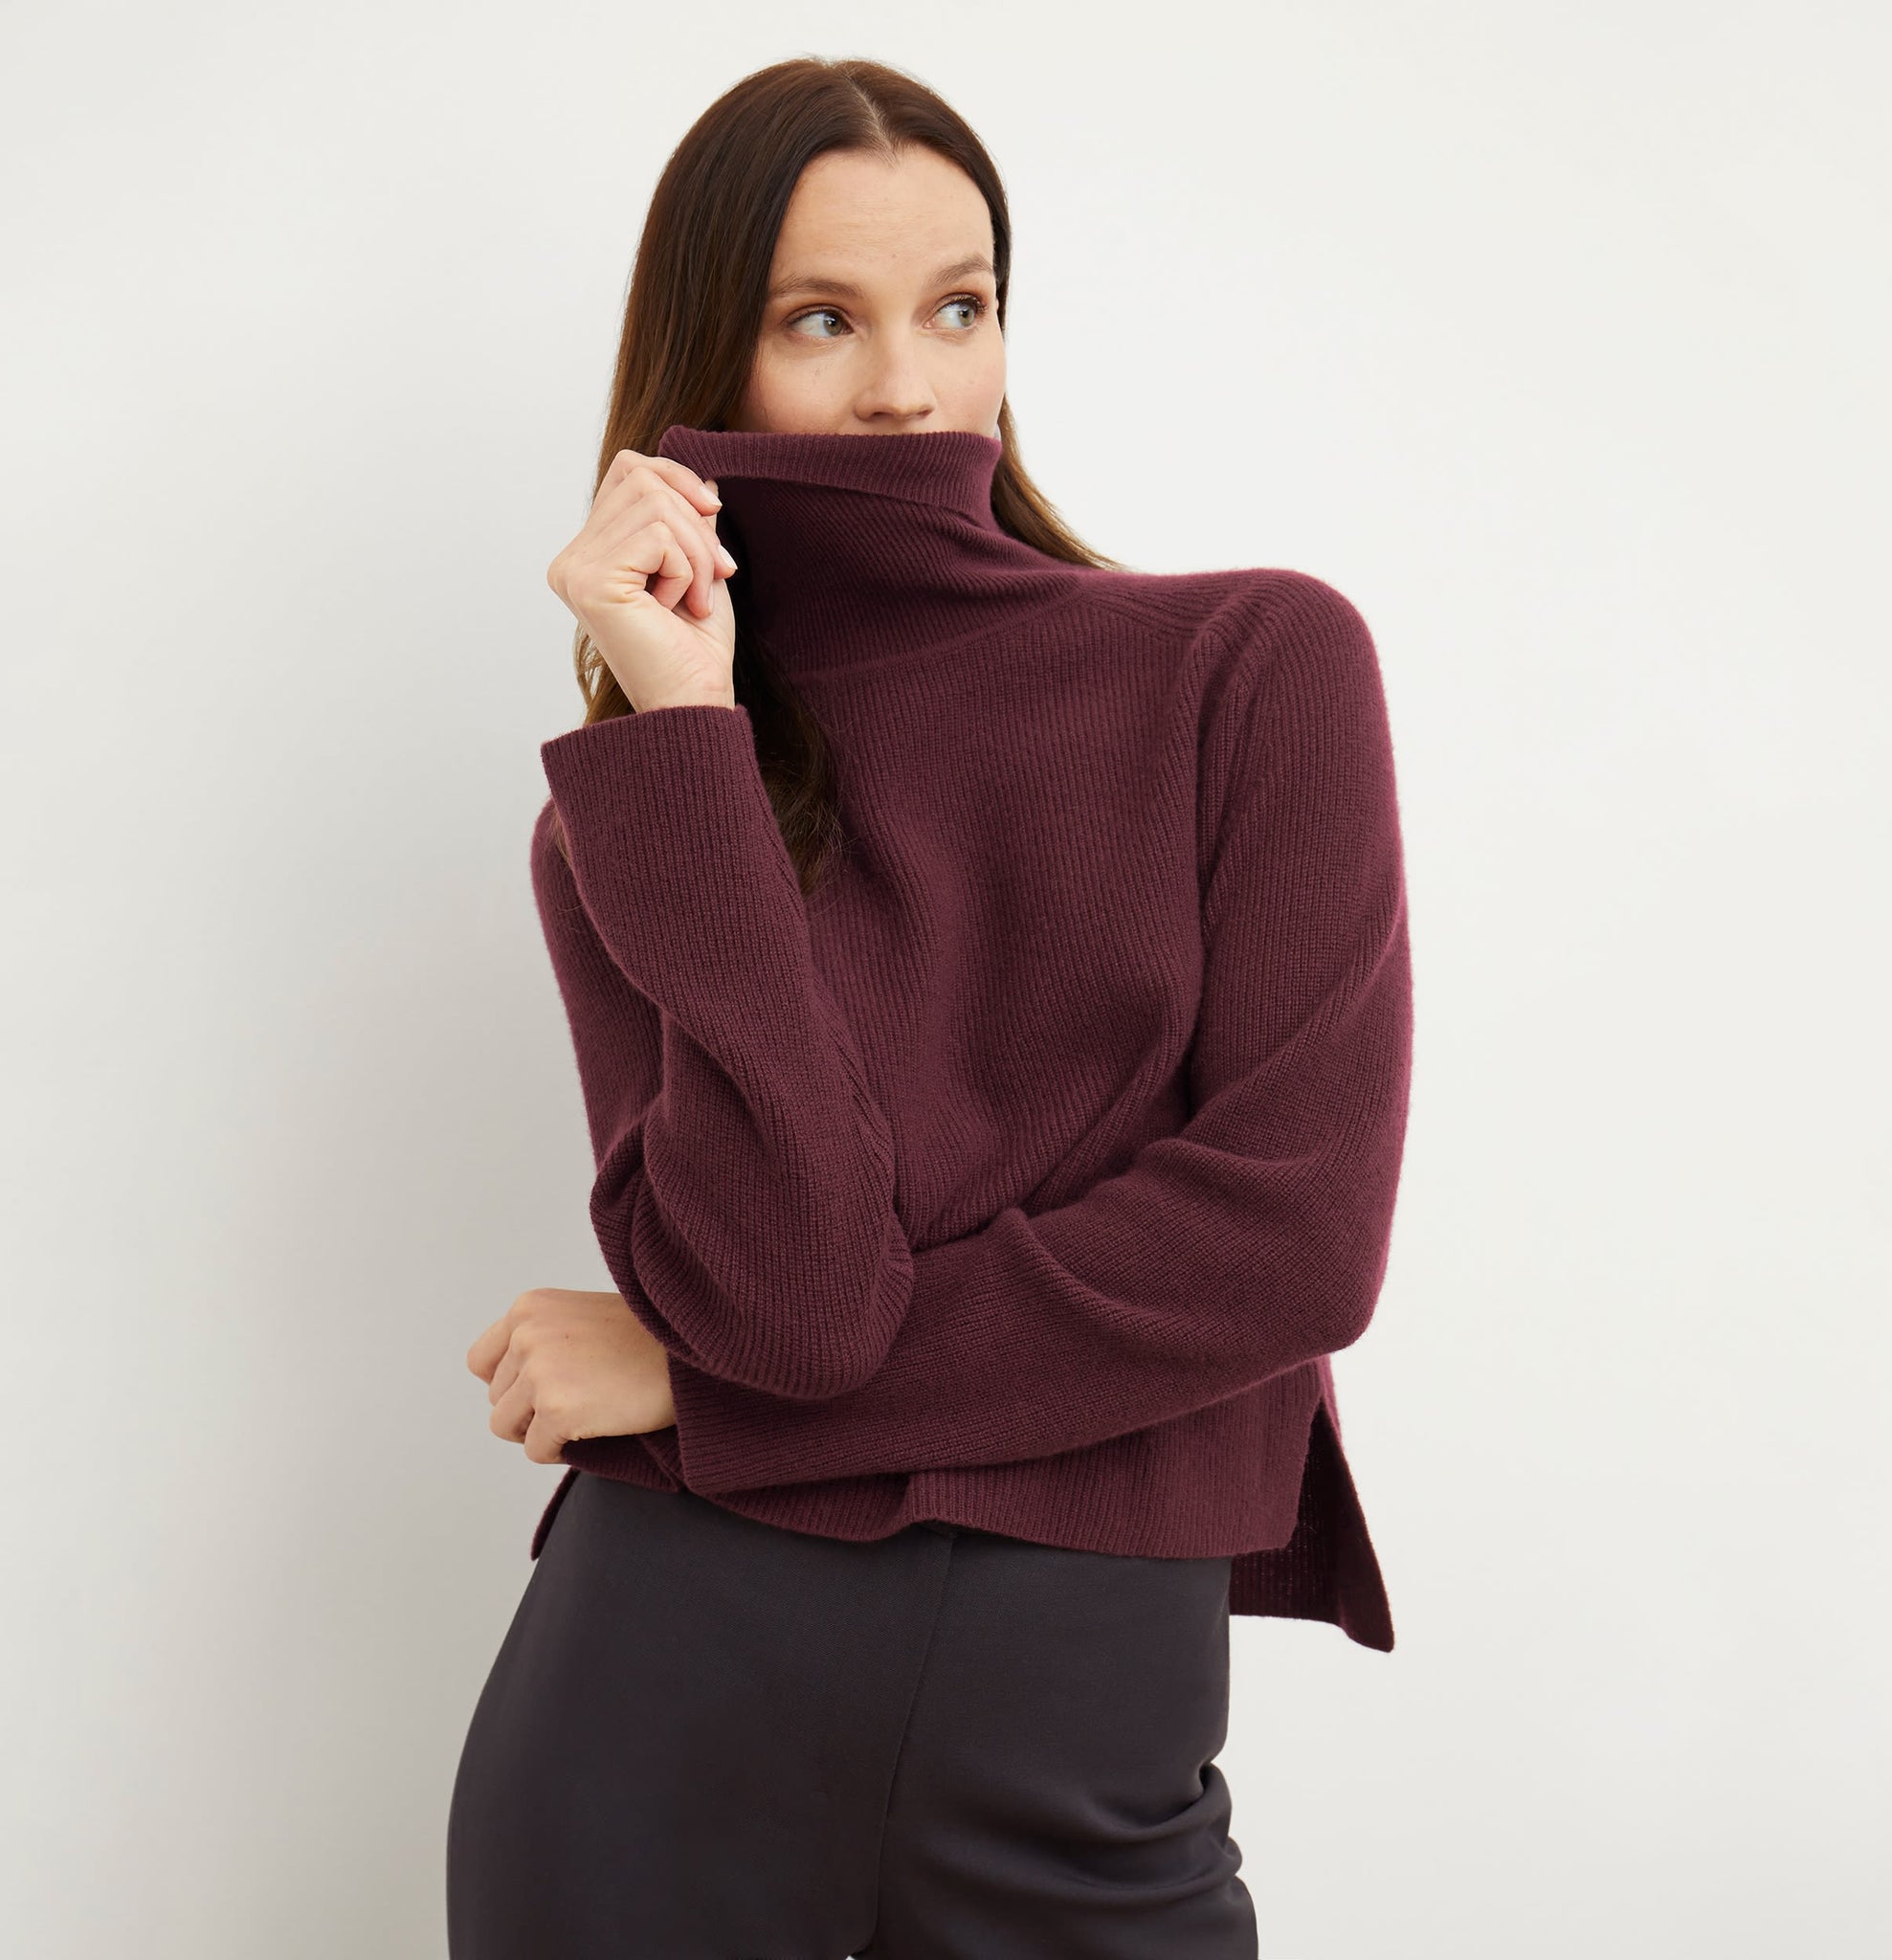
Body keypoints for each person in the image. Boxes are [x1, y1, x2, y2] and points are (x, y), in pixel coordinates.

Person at [447, 55, 1413, 1960]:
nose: (906, 387)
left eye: (957, 308)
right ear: (705, 370)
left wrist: (695, 1386)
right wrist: (691, 742)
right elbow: (794, 1302)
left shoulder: (1247, 664)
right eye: (824, 321)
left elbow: (1289, 1245)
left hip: (1075, 1723)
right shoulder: (642, 820)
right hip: (665, 1702)